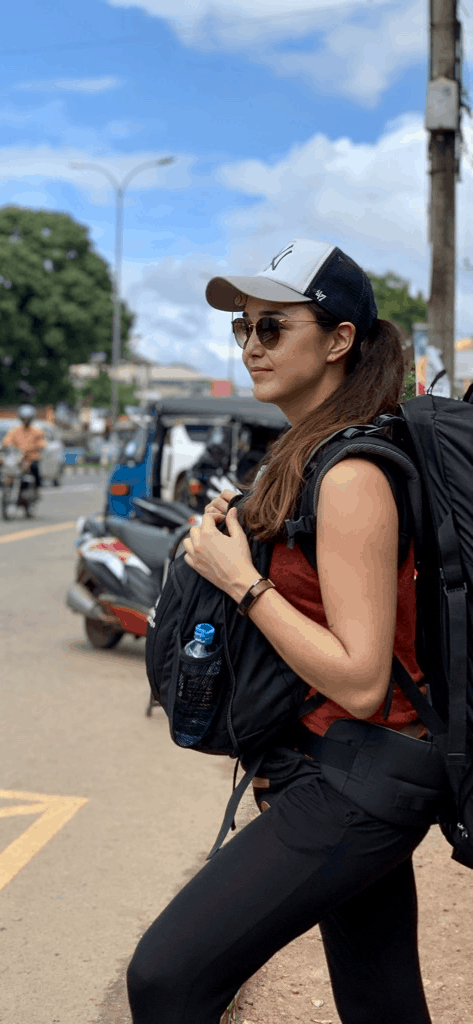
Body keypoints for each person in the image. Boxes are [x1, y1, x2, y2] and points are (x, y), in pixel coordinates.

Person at [127, 239, 447, 1024]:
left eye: (274, 328)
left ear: (338, 341)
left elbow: (363, 678)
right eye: (242, 328)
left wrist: (243, 581)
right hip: (344, 772)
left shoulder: (353, 476)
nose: (251, 346)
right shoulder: (312, 455)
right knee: (382, 1006)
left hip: (354, 782)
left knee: (165, 978)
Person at [0, 404, 45, 489]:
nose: (26, 420)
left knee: (35, 469)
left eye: (28, 418)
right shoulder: (15, 430)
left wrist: (34, 448)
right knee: (4, 465)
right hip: (18, 458)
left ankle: (36, 488)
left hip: (31, 459)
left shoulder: (36, 431)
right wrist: (7, 446)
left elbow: (42, 443)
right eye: (24, 418)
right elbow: (7, 440)